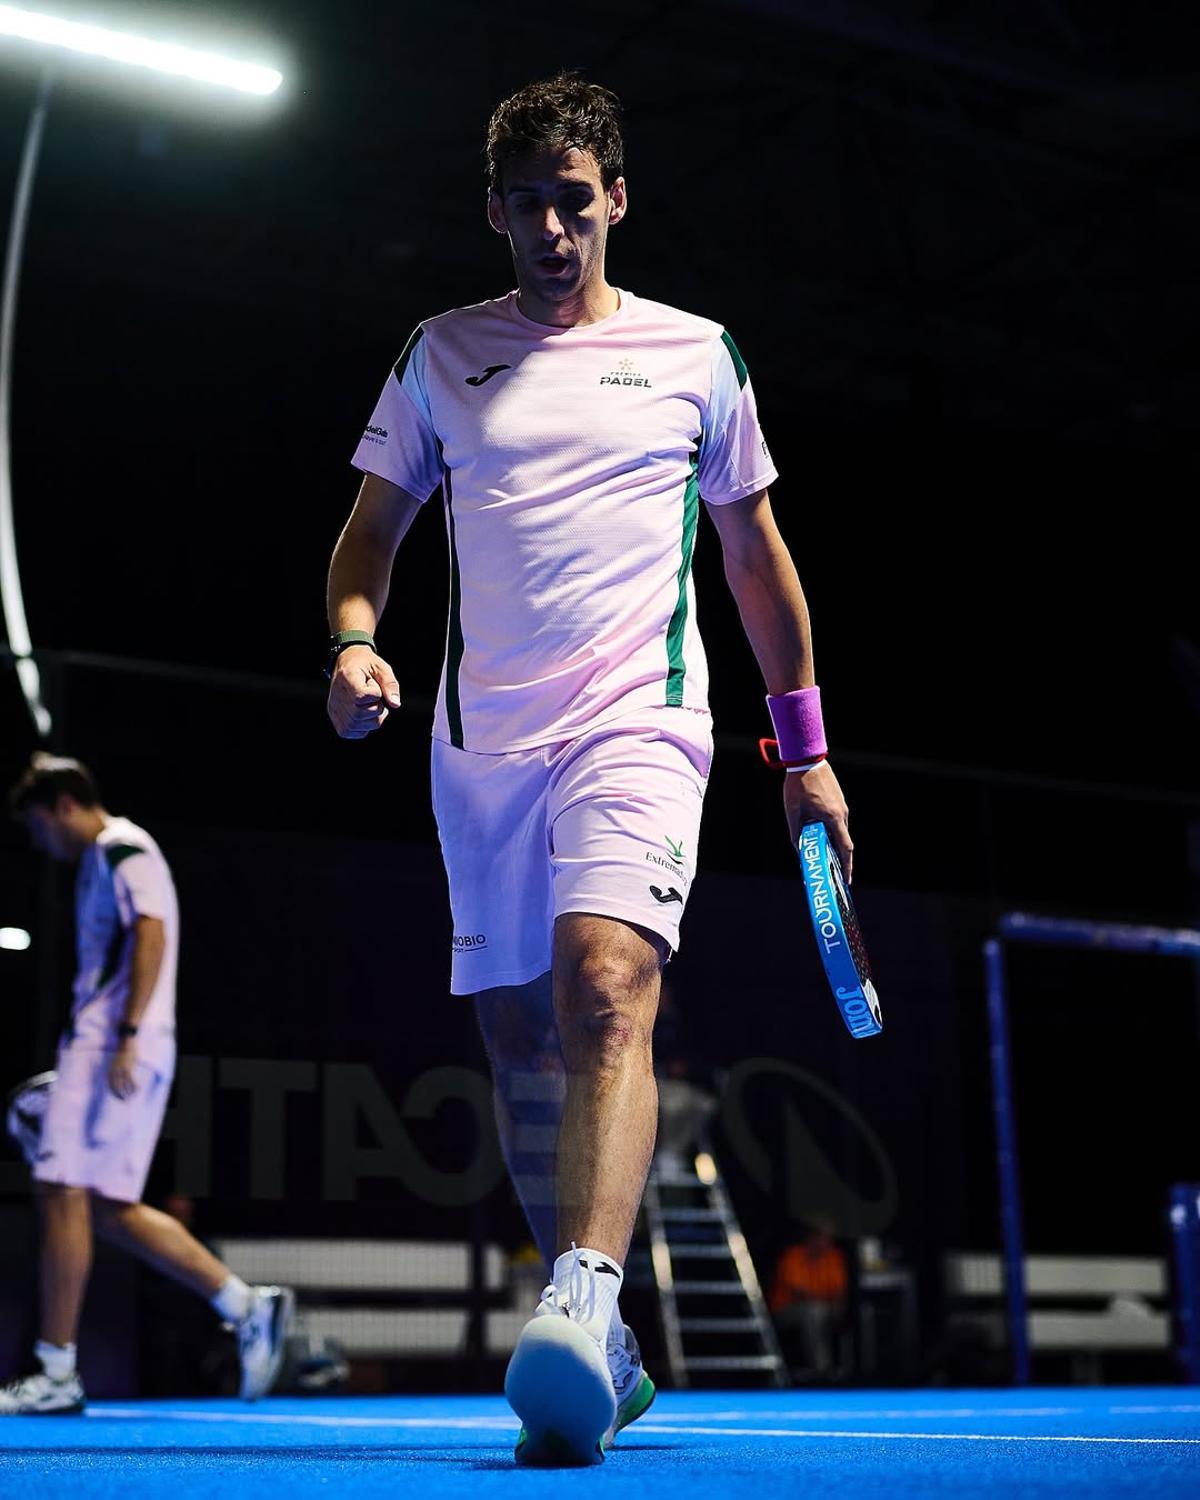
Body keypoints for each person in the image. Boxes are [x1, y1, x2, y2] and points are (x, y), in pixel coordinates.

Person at [325, 72, 852, 1466]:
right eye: (528, 205)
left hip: (643, 717)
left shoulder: (698, 355)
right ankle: (601, 1342)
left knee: (607, 983)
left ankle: (582, 1288)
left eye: (577, 200)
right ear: (493, 213)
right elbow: (369, 531)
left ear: (616, 198)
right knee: (513, 1037)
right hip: (479, 743)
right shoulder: (441, 353)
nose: (555, 229)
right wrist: (355, 640)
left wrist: (804, 756)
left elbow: (755, 563)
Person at [0, 753, 293, 1416]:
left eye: (39, 826)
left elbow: (152, 933)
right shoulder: (112, 855)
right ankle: (245, 1306)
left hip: (112, 1045)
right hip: (119, 1045)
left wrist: (127, 1036)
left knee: (58, 1186)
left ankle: (55, 1370)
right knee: (104, 1206)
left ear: (62, 808)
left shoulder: (119, 848)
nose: (40, 842)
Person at [769, 1218, 850, 1381]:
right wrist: (825, 1300)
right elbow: (800, 1293)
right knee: (814, 1311)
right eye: (822, 1237)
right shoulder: (793, 1256)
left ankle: (840, 1369)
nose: (826, 1242)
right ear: (811, 1237)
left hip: (826, 1308)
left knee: (825, 1312)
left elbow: (838, 1291)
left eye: (829, 1238)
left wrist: (833, 1304)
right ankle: (821, 1371)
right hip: (786, 1311)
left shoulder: (834, 1257)